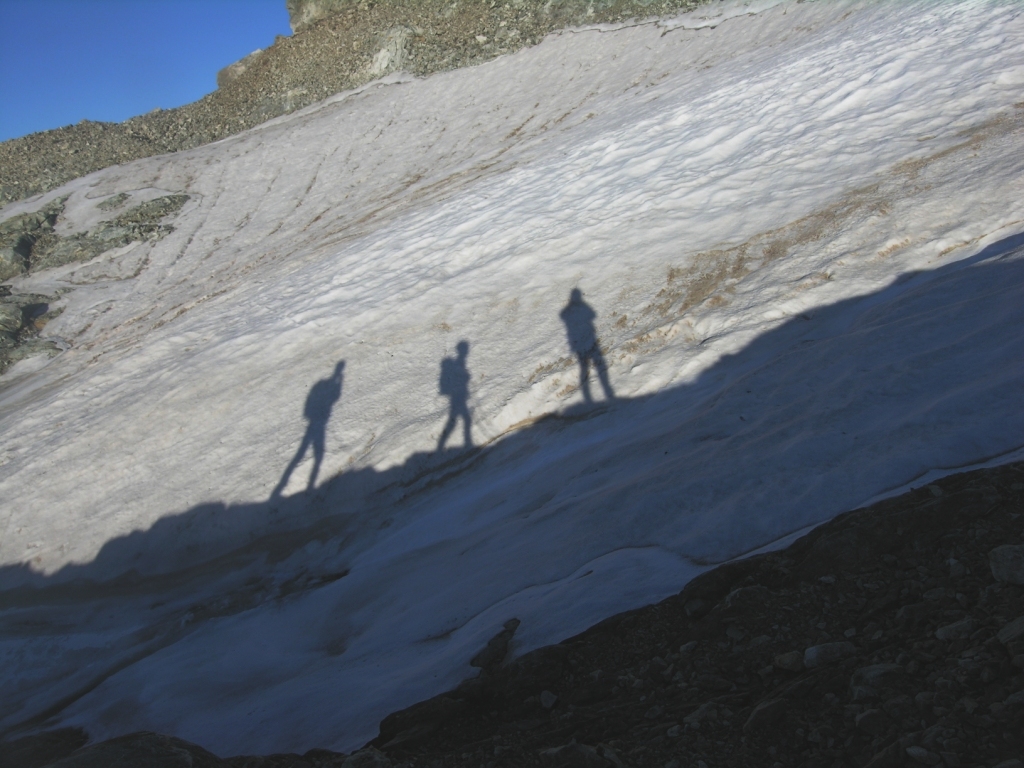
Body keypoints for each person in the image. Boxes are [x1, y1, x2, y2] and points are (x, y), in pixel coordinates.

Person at [272, 360, 344, 497]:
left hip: (317, 422)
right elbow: (335, 397)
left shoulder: (321, 384)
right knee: (314, 455)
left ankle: (290, 485)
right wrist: (340, 383)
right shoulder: (325, 384)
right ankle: (308, 486)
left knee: (303, 454)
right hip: (319, 423)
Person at [559, 288, 615, 403]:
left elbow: (562, 315)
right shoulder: (581, 307)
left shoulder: (569, 310)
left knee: (584, 367)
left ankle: (588, 397)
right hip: (586, 338)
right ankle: (605, 392)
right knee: (597, 365)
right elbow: (593, 315)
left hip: (577, 341)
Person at [437, 341, 473, 450]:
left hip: (461, 396)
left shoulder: (459, 362)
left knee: (464, 420)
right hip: (456, 398)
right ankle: (441, 445)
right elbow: (454, 381)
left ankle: (442, 445)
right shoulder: (455, 364)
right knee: (460, 421)